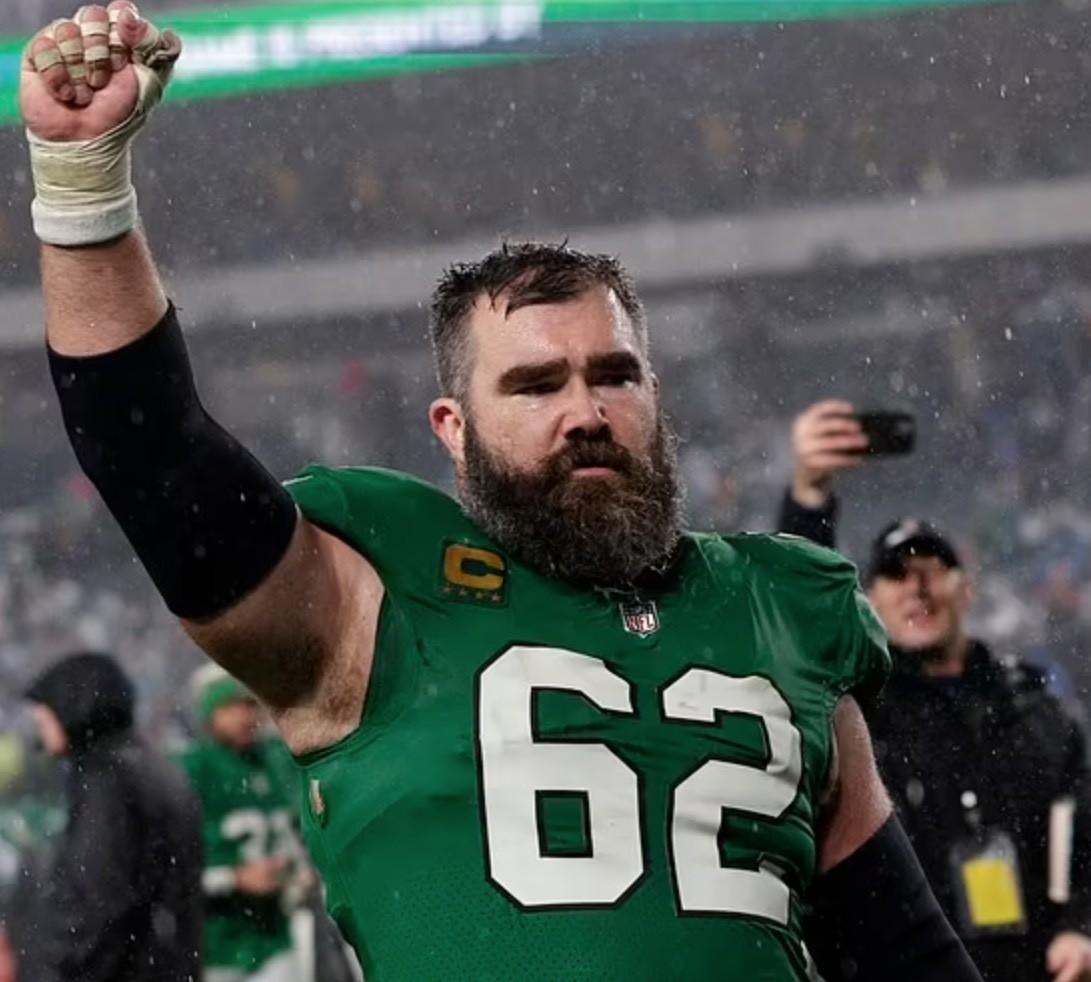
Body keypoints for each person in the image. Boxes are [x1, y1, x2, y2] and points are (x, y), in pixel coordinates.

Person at [20, 8, 982, 980]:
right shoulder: (372, 593)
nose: (586, 412)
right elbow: (153, 454)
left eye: (615, 375)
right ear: (454, 428)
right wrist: (84, 185)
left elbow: (903, 952)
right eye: (535, 385)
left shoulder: (783, 606)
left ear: (656, 394)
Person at [778, 400, 1091, 982]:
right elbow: (798, 621)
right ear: (869, 600)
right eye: (895, 573)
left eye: (932, 568)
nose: (917, 587)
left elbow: (1090, 844)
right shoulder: (858, 709)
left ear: (967, 589)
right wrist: (809, 498)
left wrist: (1081, 932)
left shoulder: (1032, 710)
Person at [15, 652, 202, 981]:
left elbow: (98, 902)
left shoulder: (105, 778)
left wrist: (60, 969)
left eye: (46, 712)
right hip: (166, 965)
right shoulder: (151, 766)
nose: (40, 725)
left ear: (75, 704)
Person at [182, 667, 305, 982]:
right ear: (210, 714)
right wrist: (234, 878)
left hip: (276, 934)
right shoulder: (192, 770)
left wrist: (298, 871)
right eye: (231, 706)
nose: (244, 716)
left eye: (249, 705)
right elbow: (167, 869)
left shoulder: (273, 761)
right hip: (216, 943)